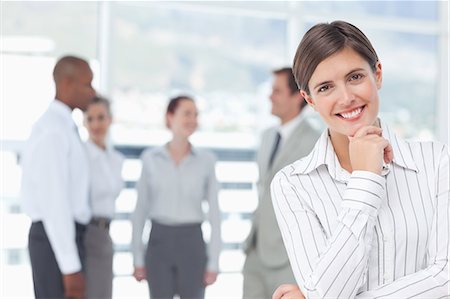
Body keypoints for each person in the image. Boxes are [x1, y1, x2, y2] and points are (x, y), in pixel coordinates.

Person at [271, 21, 449, 299]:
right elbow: (324, 294)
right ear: (310, 100)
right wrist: (366, 180)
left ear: (377, 74)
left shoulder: (436, 162)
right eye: (325, 87)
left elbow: (446, 277)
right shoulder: (292, 185)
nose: (346, 98)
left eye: (355, 77)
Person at [131, 95, 221, 299]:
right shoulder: (150, 159)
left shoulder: (206, 161)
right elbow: (140, 211)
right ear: (170, 116)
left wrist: (214, 261)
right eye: (187, 113)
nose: (193, 119)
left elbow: (215, 214)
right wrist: (137, 257)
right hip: (158, 242)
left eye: (196, 115)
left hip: (192, 243)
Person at [21, 55, 96, 299]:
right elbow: (54, 202)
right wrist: (70, 267)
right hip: (55, 240)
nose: (92, 92)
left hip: (63, 238)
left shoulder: (64, 126)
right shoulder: (54, 130)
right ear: (66, 83)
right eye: (87, 84)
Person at [242, 67, 321, 298]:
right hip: (256, 249)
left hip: (289, 255)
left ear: (297, 96)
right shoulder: (267, 137)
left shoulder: (315, 142)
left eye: (276, 91)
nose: (270, 96)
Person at [83, 96, 124, 299]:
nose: (95, 124)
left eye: (100, 117)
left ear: (110, 119)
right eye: (90, 119)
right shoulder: (80, 155)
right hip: (85, 233)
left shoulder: (115, 159)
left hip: (105, 234)